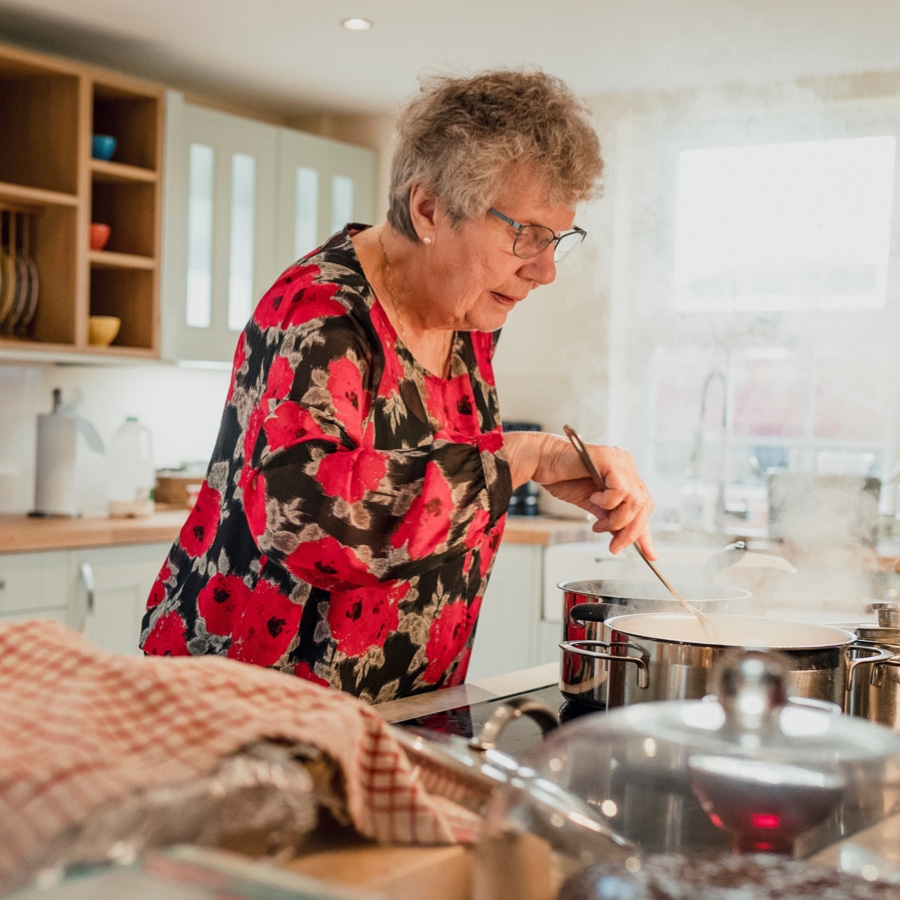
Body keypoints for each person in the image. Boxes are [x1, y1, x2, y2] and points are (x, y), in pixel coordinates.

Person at [141, 67, 655, 703]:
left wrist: (538, 464)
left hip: (401, 704)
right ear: (429, 209)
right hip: (253, 708)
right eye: (524, 234)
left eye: (558, 239)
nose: (545, 270)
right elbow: (310, 524)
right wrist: (520, 457)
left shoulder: (468, 318)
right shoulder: (322, 314)